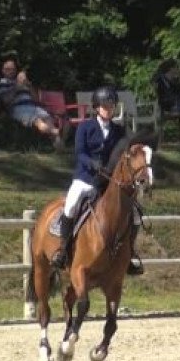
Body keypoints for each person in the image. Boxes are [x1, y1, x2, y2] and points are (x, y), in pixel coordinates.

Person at [51, 86, 144, 275]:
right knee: (71, 204)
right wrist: (92, 164)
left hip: (110, 182)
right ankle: (62, 249)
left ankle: (130, 253)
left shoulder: (118, 130)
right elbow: (80, 153)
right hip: (86, 177)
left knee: (134, 211)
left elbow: (131, 145)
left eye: (111, 106)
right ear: (96, 107)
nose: (109, 109)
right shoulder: (85, 127)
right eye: (105, 106)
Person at [0, 57, 64, 149]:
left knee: (47, 118)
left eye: (13, 69)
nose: (11, 71)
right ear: (3, 70)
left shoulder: (22, 82)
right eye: (8, 69)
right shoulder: (2, 83)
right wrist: (18, 86)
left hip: (32, 106)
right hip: (18, 108)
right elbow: (6, 100)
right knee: (38, 121)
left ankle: (57, 142)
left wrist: (29, 85)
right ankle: (56, 132)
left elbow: (36, 99)